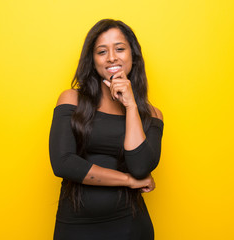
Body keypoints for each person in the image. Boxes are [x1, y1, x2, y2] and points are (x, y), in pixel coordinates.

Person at [49, 19, 163, 240]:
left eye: (120, 49)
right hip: (76, 227)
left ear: (133, 56)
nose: (112, 57)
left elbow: (140, 167)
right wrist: (128, 181)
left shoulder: (152, 115)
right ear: (93, 61)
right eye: (102, 51)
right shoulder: (72, 100)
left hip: (130, 228)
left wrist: (130, 106)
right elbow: (63, 163)